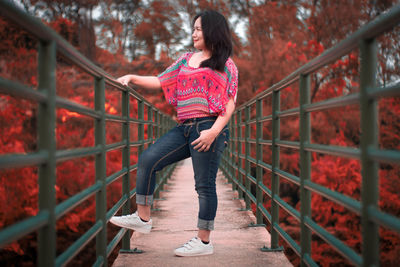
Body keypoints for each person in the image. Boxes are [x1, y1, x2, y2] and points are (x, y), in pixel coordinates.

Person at [110, 9, 238, 257]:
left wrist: (214, 131)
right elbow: (161, 81)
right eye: (193, 29)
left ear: (212, 30)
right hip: (184, 127)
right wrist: (132, 77)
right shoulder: (185, 59)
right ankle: (143, 218)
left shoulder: (227, 64)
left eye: (199, 29)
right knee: (148, 159)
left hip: (209, 128)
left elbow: (230, 101)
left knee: (204, 185)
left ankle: (203, 242)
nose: (194, 33)